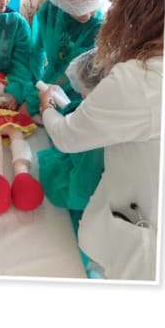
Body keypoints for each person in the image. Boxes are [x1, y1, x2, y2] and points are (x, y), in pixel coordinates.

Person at [37, 0, 165, 281]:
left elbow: (70, 137)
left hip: (136, 217)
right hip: (132, 198)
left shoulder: (136, 80)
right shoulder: (142, 73)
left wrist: (47, 106)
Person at [27, 0, 111, 114]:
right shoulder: (49, 12)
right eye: (79, 9)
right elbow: (37, 51)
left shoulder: (99, 28)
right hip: (47, 85)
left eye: (92, 7)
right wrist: (32, 87)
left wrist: (39, 100)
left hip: (77, 97)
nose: (87, 15)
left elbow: (81, 78)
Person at [37, 49, 105, 222]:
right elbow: (79, 111)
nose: (81, 95)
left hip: (87, 190)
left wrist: (47, 107)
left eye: (83, 91)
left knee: (54, 172)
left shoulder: (93, 127)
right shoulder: (114, 106)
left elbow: (65, 134)